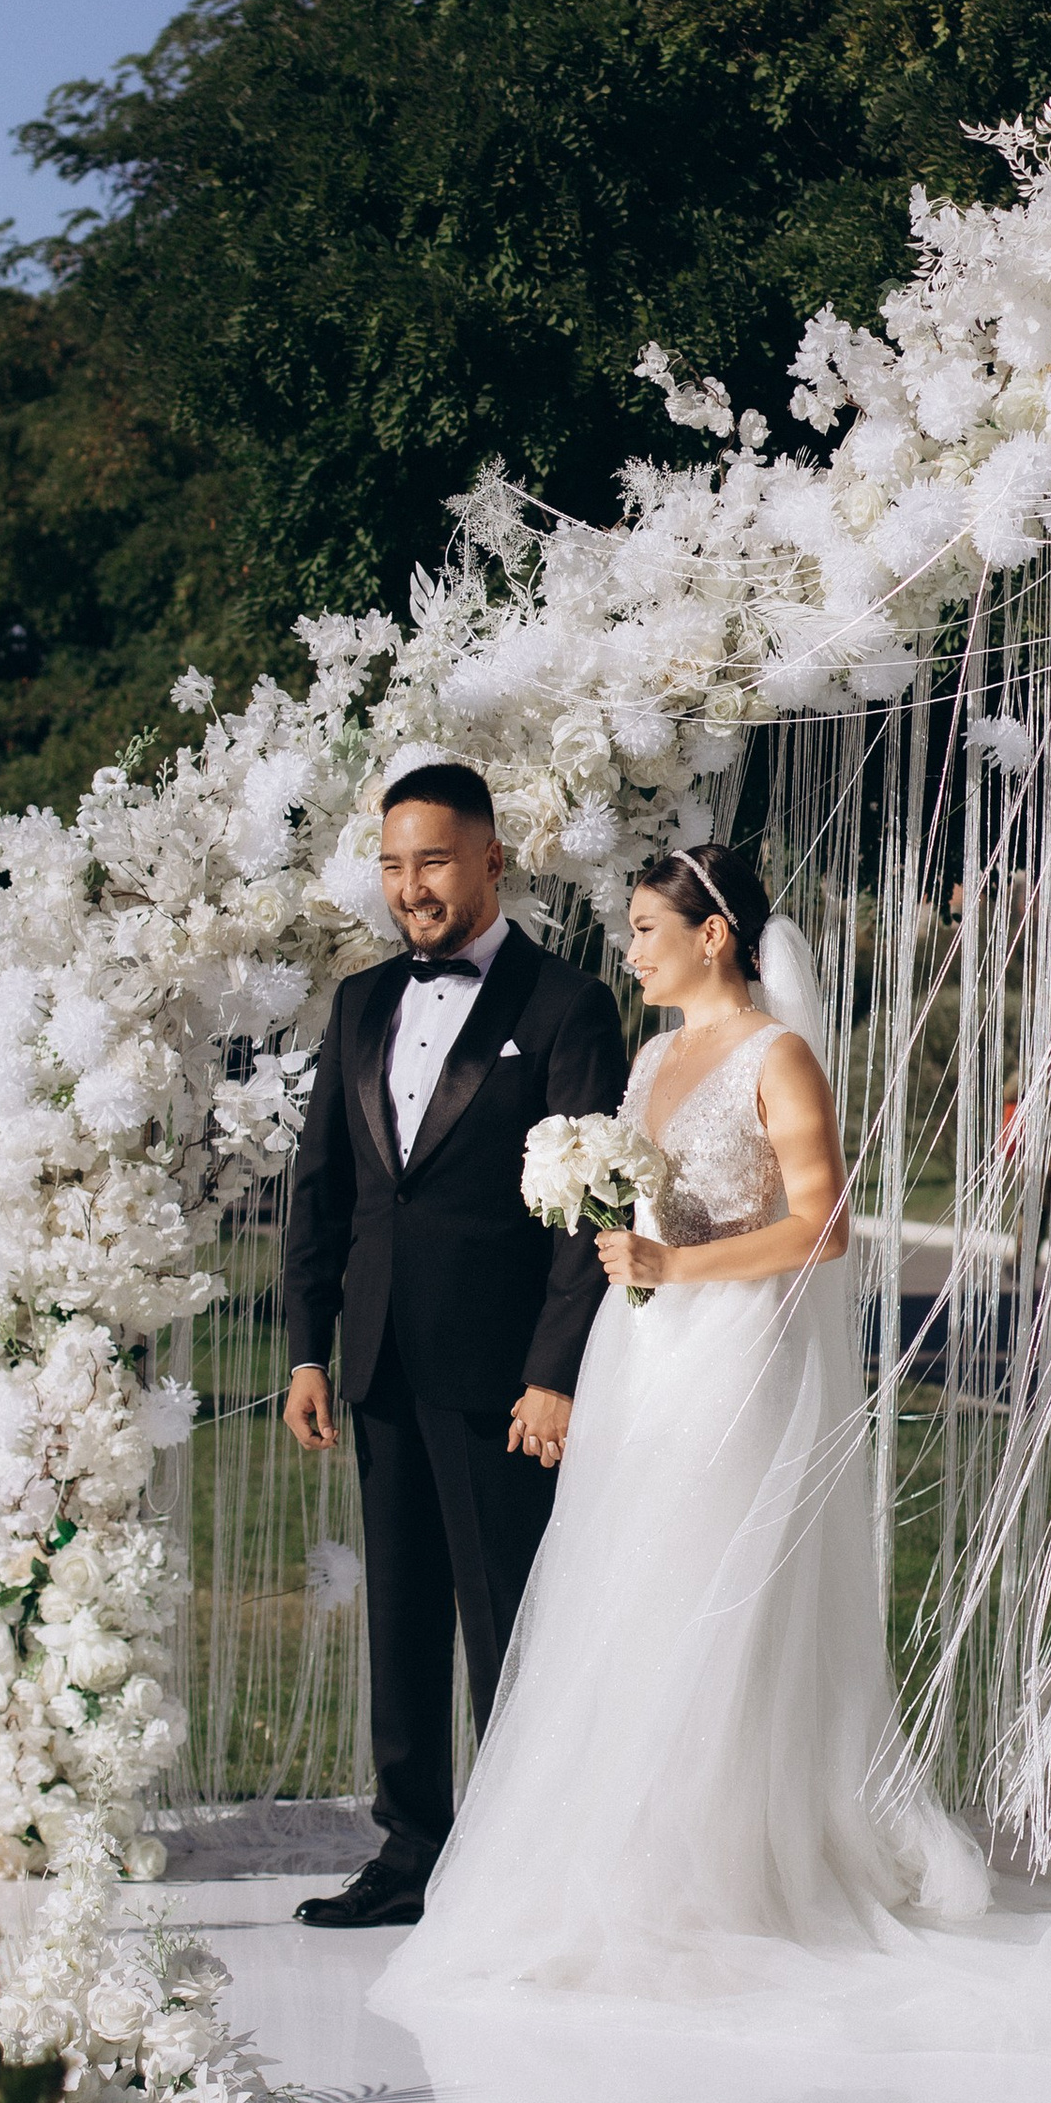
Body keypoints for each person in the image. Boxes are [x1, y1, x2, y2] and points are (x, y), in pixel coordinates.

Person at [376, 841, 1051, 2061]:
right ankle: (626, 1863)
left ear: (713, 935)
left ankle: (728, 1874)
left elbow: (822, 1223)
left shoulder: (776, 1055)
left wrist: (674, 1264)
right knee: (628, 1595)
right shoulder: (651, 1055)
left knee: (709, 1594)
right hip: (643, 1352)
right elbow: (642, 1202)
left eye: (649, 927)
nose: (632, 948)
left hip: (734, 1348)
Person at [280, 762, 628, 1928]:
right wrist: (306, 1350)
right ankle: (409, 1854)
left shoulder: (566, 1006)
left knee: (510, 1625)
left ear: (491, 859)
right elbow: (320, 1185)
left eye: (432, 860)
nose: (410, 887)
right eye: (391, 864)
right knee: (405, 1621)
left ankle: (532, 1862)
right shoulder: (359, 1003)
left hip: (502, 1380)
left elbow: (593, 1213)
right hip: (376, 1358)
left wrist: (553, 1371)